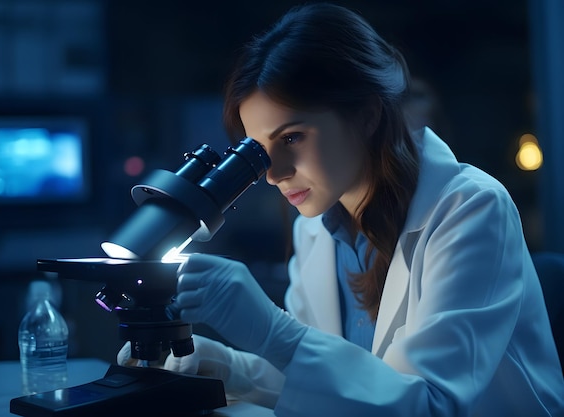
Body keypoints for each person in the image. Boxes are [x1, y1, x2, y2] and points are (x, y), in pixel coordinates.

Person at [118, 3, 564, 416]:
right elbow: (331, 381)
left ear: (368, 115)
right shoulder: (319, 227)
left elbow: (431, 404)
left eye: (291, 137)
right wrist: (225, 365)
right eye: (259, 151)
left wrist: (275, 332)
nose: (273, 173)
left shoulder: (470, 208)